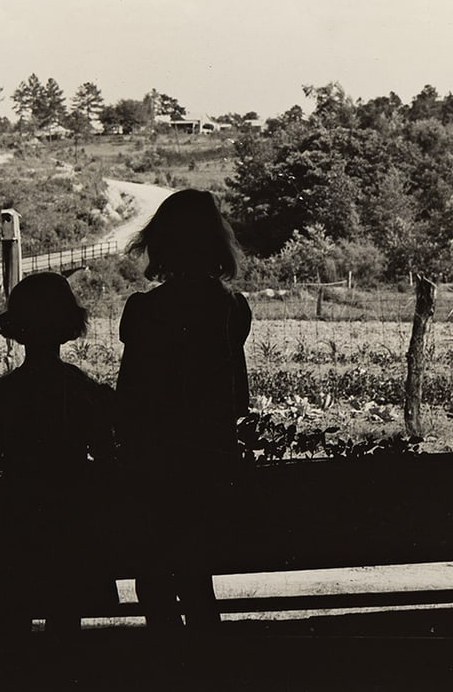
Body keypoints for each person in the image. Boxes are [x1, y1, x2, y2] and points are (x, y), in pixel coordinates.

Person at [115, 188, 252, 631]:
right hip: (212, 467)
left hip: (155, 469)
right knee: (197, 578)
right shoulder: (233, 310)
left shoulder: (144, 311)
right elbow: (238, 400)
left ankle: (168, 662)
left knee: (153, 578)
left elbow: (129, 399)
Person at [0, 272, 118, 637]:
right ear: (68, 325)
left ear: (17, 328)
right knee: (65, 619)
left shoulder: (0, 397)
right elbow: (106, 456)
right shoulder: (81, 391)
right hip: (70, 520)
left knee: (13, 619)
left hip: (16, 519)